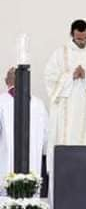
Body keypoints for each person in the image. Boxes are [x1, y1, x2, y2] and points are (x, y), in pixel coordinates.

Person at [44, 19, 86, 171]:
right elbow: (50, 80)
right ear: (72, 35)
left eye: (85, 38)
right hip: (66, 112)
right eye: (79, 39)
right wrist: (70, 76)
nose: (82, 42)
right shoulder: (59, 54)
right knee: (65, 144)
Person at [0, 67, 48, 195]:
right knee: (30, 197)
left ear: (6, 81)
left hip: (6, 166)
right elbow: (46, 137)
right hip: (32, 164)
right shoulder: (39, 104)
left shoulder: (1, 101)